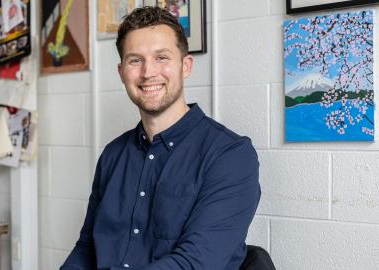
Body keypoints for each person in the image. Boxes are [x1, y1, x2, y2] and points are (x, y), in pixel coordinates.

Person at [61, 6, 260, 270]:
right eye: (135, 60)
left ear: (185, 65)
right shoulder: (112, 155)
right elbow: (87, 249)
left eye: (161, 57)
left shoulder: (230, 155)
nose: (148, 72)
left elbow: (196, 263)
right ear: (121, 72)